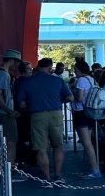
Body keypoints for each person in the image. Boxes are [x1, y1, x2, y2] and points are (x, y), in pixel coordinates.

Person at [17, 58, 74, 188]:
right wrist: (58, 101)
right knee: (58, 145)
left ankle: (46, 179)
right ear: (50, 68)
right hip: (56, 114)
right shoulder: (57, 80)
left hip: (37, 115)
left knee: (41, 149)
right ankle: (58, 176)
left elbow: (21, 104)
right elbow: (70, 97)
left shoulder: (27, 82)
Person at [0, 49, 23, 181]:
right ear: (11, 60)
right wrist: (9, 110)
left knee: (3, 143)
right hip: (3, 114)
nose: (17, 65)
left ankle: (3, 171)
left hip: (0, 113)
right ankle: (7, 173)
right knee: (10, 143)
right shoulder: (3, 75)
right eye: (16, 61)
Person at [71, 60, 101, 180]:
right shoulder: (92, 79)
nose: (74, 72)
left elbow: (78, 97)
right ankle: (93, 167)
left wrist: (72, 89)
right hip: (89, 112)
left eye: (75, 69)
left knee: (86, 142)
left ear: (79, 69)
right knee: (89, 142)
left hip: (80, 112)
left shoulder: (81, 80)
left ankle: (95, 169)